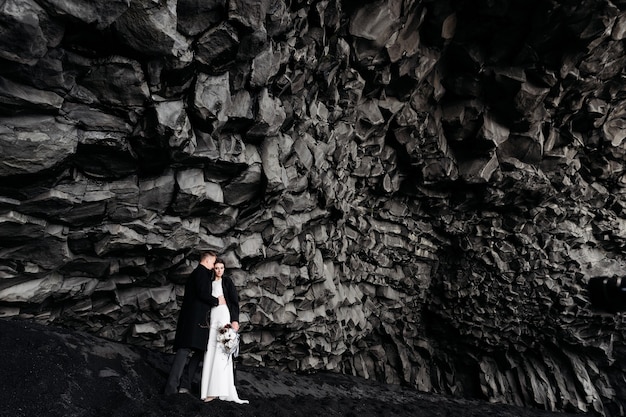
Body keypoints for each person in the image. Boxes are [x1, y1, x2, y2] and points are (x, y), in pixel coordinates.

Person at [164, 251, 224, 395]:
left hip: (193, 320)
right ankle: (173, 387)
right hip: (194, 321)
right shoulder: (201, 273)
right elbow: (203, 293)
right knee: (185, 351)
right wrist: (217, 301)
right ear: (208, 261)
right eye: (213, 262)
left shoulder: (198, 273)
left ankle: (182, 385)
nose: (214, 266)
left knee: (196, 350)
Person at [200, 258, 248, 404]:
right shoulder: (209, 282)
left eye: (221, 268)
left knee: (221, 351)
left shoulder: (227, 282)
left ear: (224, 269)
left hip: (224, 316)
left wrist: (235, 320)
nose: (219, 270)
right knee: (211, 350)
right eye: (216, 268)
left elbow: (234, 302)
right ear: (213, 269)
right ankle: (208, 389)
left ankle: (216, 391)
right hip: (213, 317)